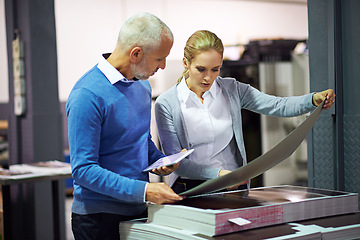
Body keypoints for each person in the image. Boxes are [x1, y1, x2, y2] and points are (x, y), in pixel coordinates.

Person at [154, 30, 335, 194]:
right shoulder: (166, 103)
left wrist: (312, 100)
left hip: (232, 185)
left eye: (215, 69)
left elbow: (277, 105)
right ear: (186, 63)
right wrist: (218, 174)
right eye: (201, 69)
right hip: (191, 188)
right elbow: (177, 164)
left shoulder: (233, 89)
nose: (208, 77)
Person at [66, 12, 183, 240]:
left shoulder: (142, 87)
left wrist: (159, 160)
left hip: (138, 210)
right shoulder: (86, 95)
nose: (164, 65)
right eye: (160, 58)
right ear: (136, 53)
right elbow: (83, 171)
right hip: (98, 219)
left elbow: (140, 139)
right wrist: (145, 190)